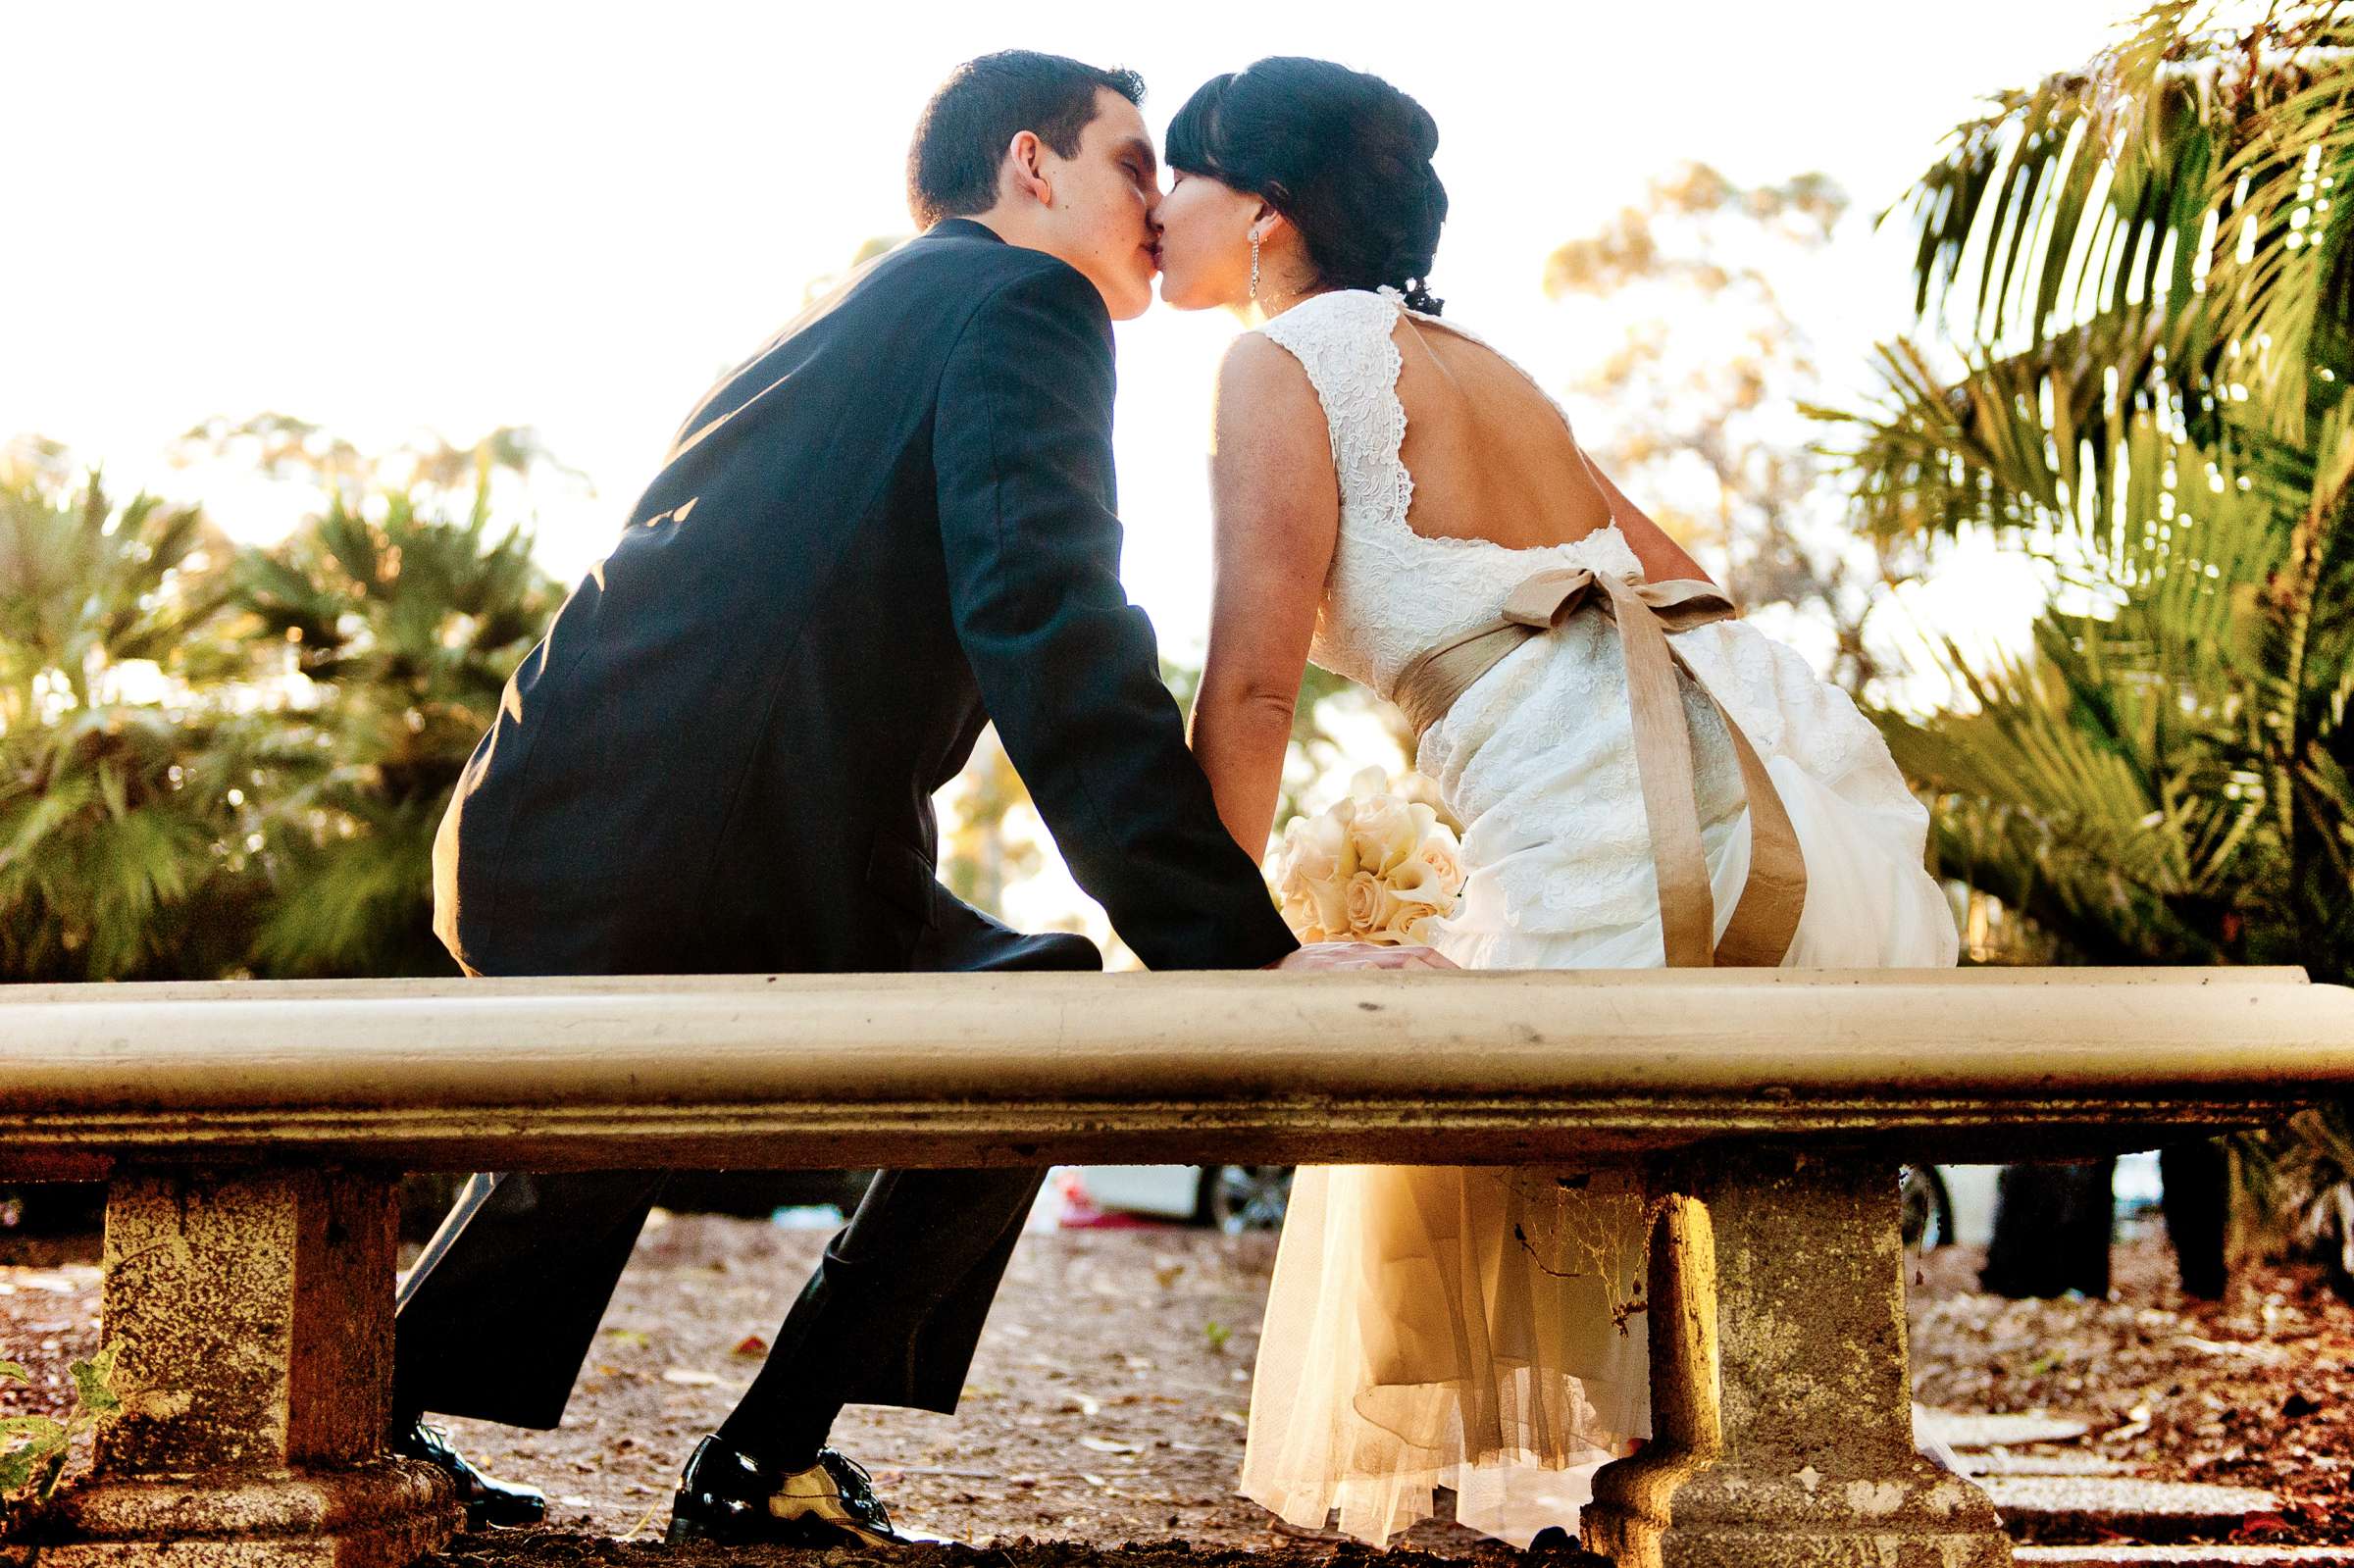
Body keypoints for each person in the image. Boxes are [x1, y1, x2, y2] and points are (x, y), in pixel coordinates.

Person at [396, 49, 1447, 1548]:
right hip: (676, 854)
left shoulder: (884, 300)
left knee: (657, 1082)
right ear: (1034, 166)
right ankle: (770, 1460)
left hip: (592, 827)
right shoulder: (1025, 303)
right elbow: (1055, 626)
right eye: (1135, 164)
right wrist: (1239, 949)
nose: (1160, 204)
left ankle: (392, 1398)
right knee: (1043, 1024)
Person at [1151, 57, 1961, 1548]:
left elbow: (1255, 684)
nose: (1155, 204)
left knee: (1472, 1066)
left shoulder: (1279, 366)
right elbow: (1675, 580)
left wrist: (1201, 947)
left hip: (1605, 840)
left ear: (1262, 209)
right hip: (1730, 793)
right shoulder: (1488, 365)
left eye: (1178, 173)